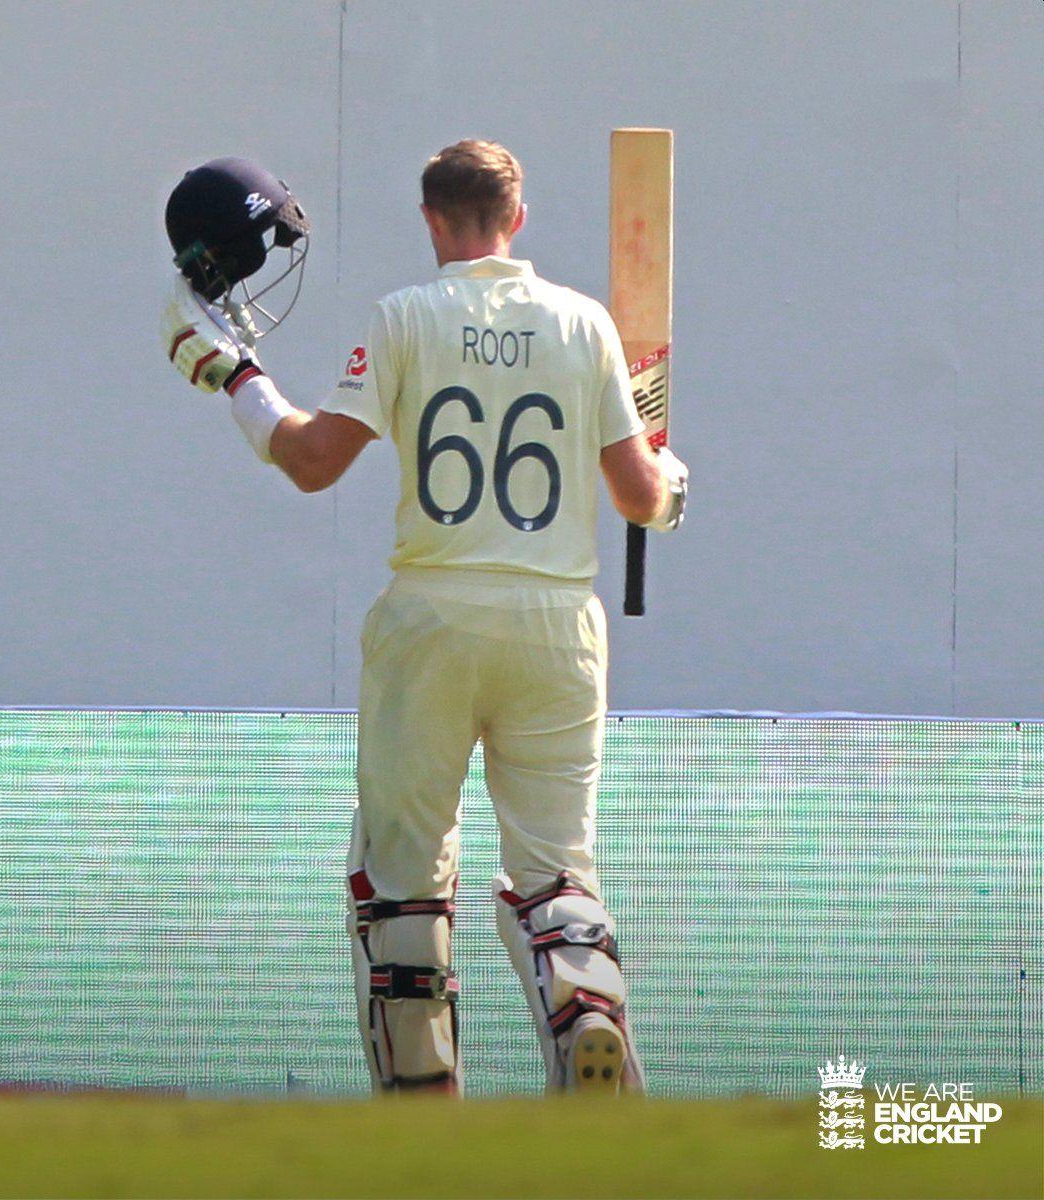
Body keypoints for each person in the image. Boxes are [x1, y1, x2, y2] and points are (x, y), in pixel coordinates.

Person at [163, 141, 688, 1095]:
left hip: (433, 618)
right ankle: (587, 1021)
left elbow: (313, 460)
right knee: (557, 874)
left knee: (401, 883)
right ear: (517, 217)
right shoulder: (585, 324)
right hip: (556, 626)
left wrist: (239, 379)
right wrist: (674, 487)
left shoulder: (405, 318)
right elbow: (641, 495)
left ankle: (421, 1102)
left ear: (431, 220)